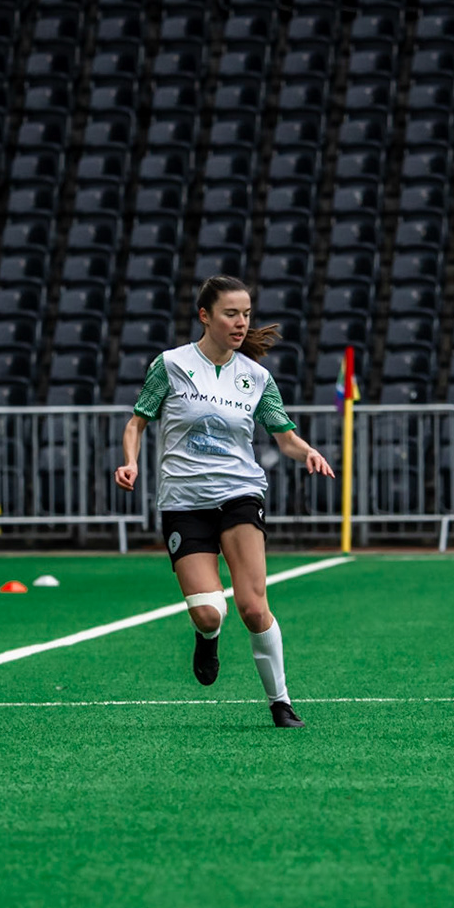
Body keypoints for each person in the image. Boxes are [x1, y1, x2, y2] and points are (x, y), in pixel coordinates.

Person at [114, 275, 335, 728]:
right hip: (183, 501)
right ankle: (207, 635)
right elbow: (137, 422)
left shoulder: (257, 377)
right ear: (205, 316)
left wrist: (308, 451)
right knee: (209, 612)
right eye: (230, 314)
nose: (241, 323)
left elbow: (284, 437)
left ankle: (280, 702)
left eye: (246, 314)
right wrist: (130, 462)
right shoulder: (170, 365)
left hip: (240, 494)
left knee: (253, 607)